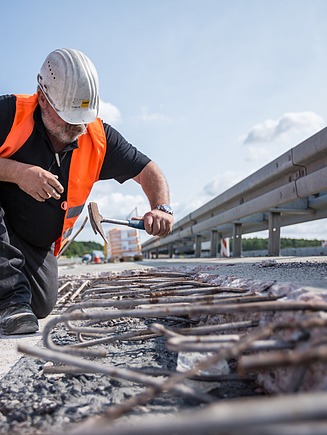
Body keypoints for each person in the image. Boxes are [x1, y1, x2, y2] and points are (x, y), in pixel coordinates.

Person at [0, 48, 174, 335]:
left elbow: (149, 170)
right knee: (16, 301)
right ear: (43, 98)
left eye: (83, 116)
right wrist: (18, 173)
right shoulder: (9, 114)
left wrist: (161, 207)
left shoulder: (96, 137)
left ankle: (13, 294)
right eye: (68, 117)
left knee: (41, 304)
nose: (77, 126)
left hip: (31, 243)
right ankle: (10, 301)